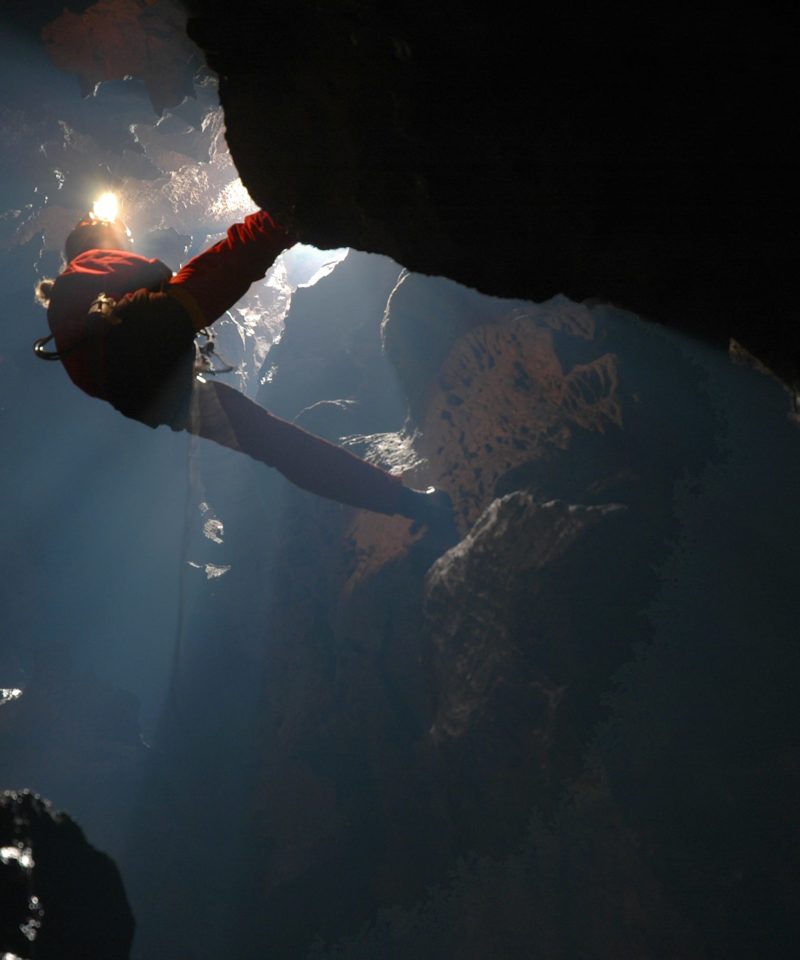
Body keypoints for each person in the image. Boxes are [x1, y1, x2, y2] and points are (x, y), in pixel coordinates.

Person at [34, 208, 455, 532]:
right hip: (147, 331)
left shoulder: (66, 319)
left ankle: (413, 505)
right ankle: (290, 213)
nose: (121, 238)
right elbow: (153, 273)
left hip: (150, 398)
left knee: (269, 441)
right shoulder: (85, 261)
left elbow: (98, 377)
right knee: (237, 254)